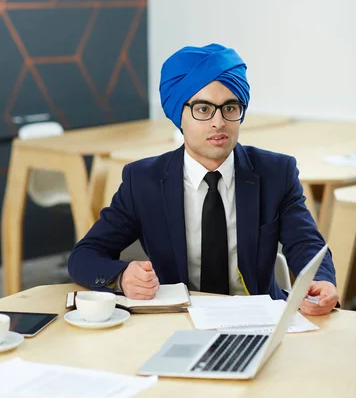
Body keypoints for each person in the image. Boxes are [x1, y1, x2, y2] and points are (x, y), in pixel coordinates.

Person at [68, 43, 339, 316]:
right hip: (176, 320)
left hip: (259, 319)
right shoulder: (143, 181)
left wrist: (321, 281)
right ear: (180, 116)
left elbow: (307, 244)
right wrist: (123, 276)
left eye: (230, 108)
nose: (218, 122)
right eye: (203, 109)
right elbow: (85, 255)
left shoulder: (276, 173)